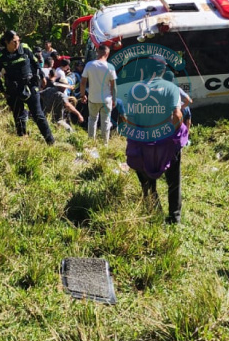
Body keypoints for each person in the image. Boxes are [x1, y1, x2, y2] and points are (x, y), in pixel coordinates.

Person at [124, 54, 187, 224]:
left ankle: (154, 213)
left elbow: (130, 120)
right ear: (164, 70)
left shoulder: (135, 90)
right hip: (167, 144)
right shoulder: (171, 88)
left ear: (146, 69)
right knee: (174, 180)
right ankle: (174, 217)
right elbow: (177, 115)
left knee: (147, 181)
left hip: (144, 143)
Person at [0, 30, 55, 145]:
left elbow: (35, 62)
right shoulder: (1, 56)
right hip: (14, 89)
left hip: (30, 85)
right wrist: (2, 90)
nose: (17, 43)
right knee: (19, 115)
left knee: (38, 115)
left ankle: (50, 141)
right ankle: (22, 140)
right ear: (7, 42)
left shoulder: (25, 48)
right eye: (14, 42)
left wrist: (42, 76)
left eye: (18, 41)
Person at [80, 44, 117, 143]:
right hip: (106, 99)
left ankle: (91, 142)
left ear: (97, 52)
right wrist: (114, 99)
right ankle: (105, 143)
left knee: (92, 119)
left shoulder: (89, 65)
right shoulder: (110, 67)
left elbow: (83, 82)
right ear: (107, 54)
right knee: (106, 121)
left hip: (93, 98)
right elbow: (113, 86)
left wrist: (82, 95)